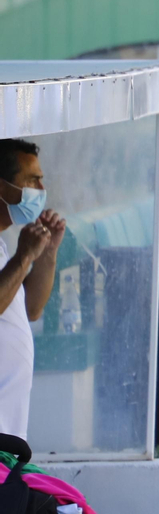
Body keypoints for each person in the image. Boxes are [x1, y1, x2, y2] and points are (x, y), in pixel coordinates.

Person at [0, 140, 66, 438]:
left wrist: (47, 254)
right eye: (31, 180)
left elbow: (32, 310)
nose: (41, 188)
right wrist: (24, 256)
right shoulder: (14, 253)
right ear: (2, 188)